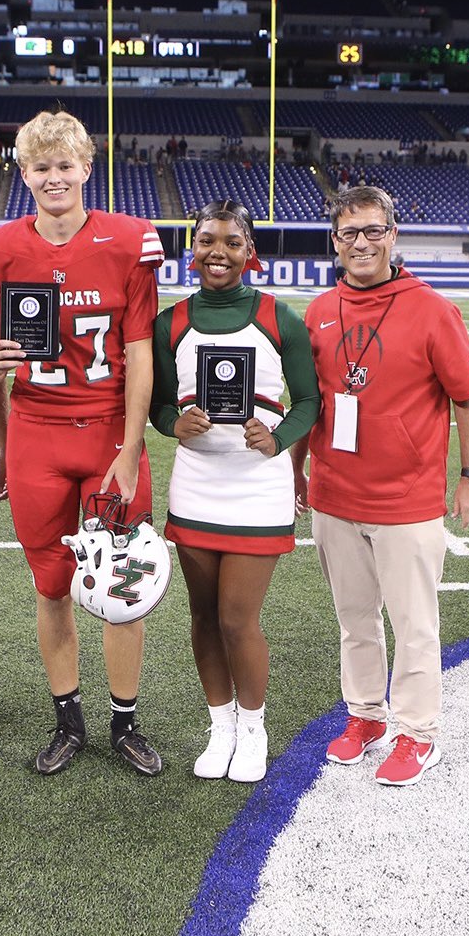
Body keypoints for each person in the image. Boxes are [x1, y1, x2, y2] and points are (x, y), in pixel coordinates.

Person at [0, 110, 165, 777]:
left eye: (65, 165)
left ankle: (125, 722)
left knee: (121, 585)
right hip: (36, 437)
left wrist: (132, 447)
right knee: (51, 587)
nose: (54, 177)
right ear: (23, 173)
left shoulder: (129, 240)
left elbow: (140, 353)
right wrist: (4, 441)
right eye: (41, 167)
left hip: (109, 434)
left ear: (87, 168)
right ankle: (68, 719)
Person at [290, 185, 469, 788]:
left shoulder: (431, 308)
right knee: (354, 621)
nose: (362, 243)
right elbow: (312, 402)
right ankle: (366, 716)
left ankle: (418, 733)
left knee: (414, 625)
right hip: (334, 494)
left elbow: (468, 398)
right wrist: (299, 466)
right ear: (335, 240)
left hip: (406, 500)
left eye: (373, 230)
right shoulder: (321, 310)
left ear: (393, 235)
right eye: (350, 233)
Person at [150, 200, 320, 783]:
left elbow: (309, 403)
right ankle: (219, 726)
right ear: (190, 249)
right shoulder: (169, 322)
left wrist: (278, 440)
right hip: (197, 484)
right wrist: (175, 424)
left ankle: (253, 727)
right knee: (201, 617)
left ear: (250, 252)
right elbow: (158, 405)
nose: (216, 252)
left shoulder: (280, 319)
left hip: (256, 486)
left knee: (236, 619)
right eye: (205, 241)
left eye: (230, 242)